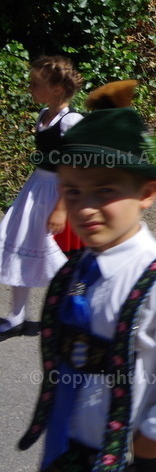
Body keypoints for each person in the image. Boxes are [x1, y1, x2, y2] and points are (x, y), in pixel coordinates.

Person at [19, 80, 156, 471]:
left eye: (105, 191)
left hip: (135, 459)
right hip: (67, 451)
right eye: (72, 192)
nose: (86, 208)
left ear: (147, 192)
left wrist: (138, 456)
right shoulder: (74, 272)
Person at [0, 56, 83, 340]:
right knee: (20, 248)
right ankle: (17, 316)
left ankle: (74, 316)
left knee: (65, 262)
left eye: (36, 85)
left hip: (60, 194)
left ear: (57, 89)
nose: (30, 89)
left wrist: (61, 208)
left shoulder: (71, 121)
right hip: (36, 190)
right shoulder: (43, 116)